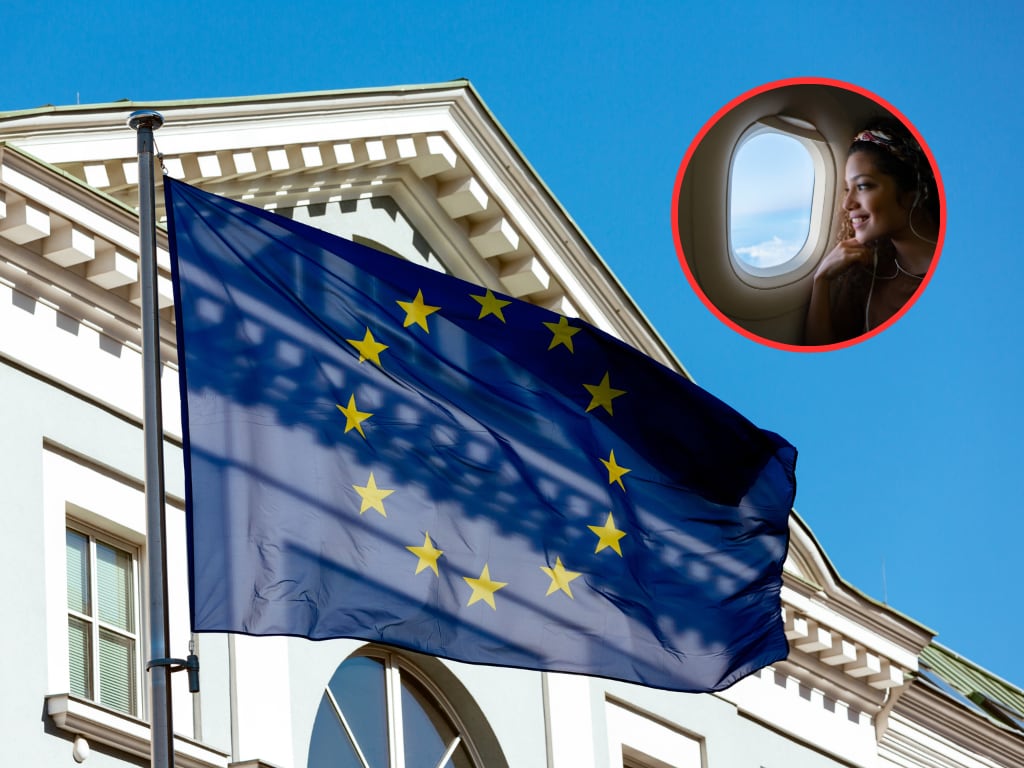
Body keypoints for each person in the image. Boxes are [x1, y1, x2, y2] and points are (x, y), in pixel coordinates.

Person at [804, 118, 939, 345]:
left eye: (863, 186)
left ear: (913, 192)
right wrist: (822, 280)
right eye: (848, 189)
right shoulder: (869, 267)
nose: (847, 204)